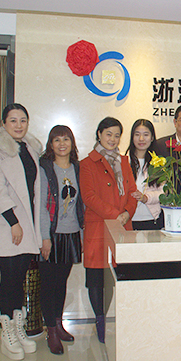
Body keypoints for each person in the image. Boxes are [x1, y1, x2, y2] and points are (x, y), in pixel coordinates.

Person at [0, 103, 41, 361]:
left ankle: (18, 329)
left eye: (23, 120)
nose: (19, 125)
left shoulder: (30, 148)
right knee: (8, 278)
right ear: (4, 123)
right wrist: (13, 222)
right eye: (13, 120)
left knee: (19, 278)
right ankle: (7, 331)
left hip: (26, 225)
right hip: (9, 225)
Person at [80, 117, 137, 343]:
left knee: (113, 275)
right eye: (108, 134)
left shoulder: (124, 161)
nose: (112, 139)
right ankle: (99, 320)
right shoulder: (87, 163)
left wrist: (127, 213)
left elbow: (132, 192)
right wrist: (117, 215)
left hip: (122, 227)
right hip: (99, 227)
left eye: (116, 135)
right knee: (96, 277)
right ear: (99, 134)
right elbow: (89, 197)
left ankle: (106, 318)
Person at [38, 125, 84, 354]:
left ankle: (58, 324)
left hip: (72, 232)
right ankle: (51, 331)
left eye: (66, 139)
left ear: (72, 143)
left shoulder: (78, 168)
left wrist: (82, 235)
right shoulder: (45, 168)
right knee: (49, 283)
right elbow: (40, 205)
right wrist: (44, 237)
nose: (62, 144)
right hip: (52, 234)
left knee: (61, 282)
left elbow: (81, 204)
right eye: (57, 140)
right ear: (51, 144)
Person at [126, 119, 164, 230]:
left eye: (146, 135)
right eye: (137, 134)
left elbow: (164, 192)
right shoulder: (123, 161)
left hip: (152, 219)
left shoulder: (158, 163)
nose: (141, 139)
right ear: (132, 137)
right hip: (128, 220)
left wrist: (146, 198)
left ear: (152, 138)